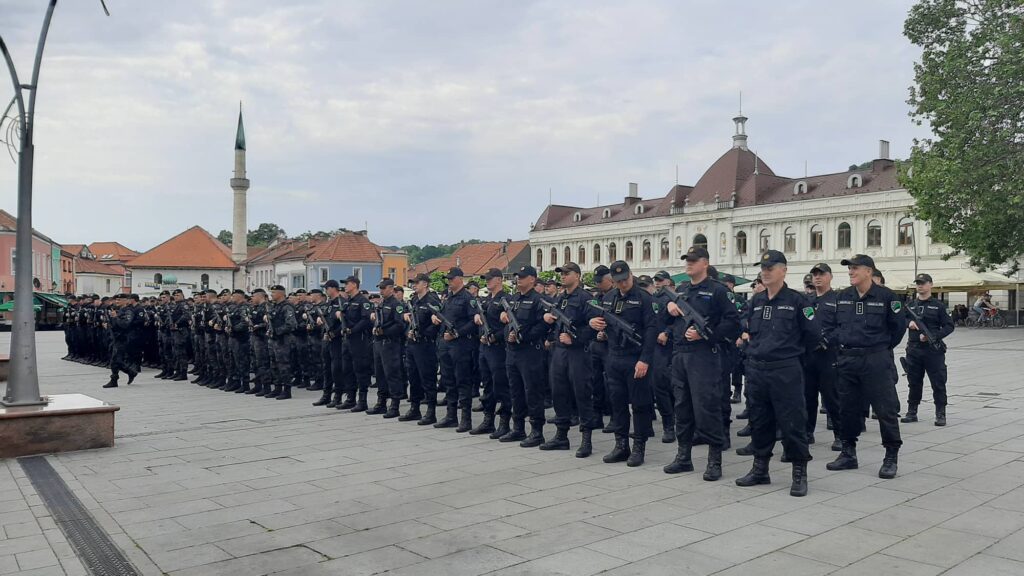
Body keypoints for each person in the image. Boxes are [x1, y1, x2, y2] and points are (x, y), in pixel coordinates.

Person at [734, 250, 818, 496]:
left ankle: (799, 472)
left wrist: (793, 358)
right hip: (758, 370)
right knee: (760, 421)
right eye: (763, 267)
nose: (766, 271)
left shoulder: (797, 301)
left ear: (784, 270)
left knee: (792, 422)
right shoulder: (756, 301)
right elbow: (744, 324)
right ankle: (760, 469)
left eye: (771, 267)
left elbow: (813, 335)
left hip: (785, 370)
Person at [662, 247, 740, 480]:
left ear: (705, 263)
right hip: (680, 356)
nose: (688, 264)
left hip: (704, 356)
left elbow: (734, 323)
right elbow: (663, 321)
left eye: (693, 261)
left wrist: (707, 334)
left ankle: (714, 460)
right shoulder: (683, 290)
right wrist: (669, 310)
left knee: (707, 408)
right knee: (682, 407)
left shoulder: (717, 291)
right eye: (687, 260)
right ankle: (683, 457)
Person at [826, 254, 906, 479]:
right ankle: (848, 453)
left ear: (869, 271)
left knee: (885, 409)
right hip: (848, 359)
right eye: (849, 268)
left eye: (855, 268)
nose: (851, 272)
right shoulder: (843, 296)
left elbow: (898, 328)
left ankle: (891, 456)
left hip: (876, 360)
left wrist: (879, 348)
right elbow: (832, 326)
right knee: (847, 409)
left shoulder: (887, 297)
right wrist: (840, 339)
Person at [588, 260, 658, 466]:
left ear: (631, 275)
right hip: (614, 356)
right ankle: (621, 445)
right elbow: (604, 322)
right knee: (617, 403)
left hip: (635, 358)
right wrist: (596, 326)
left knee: (640, 405)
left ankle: (639, 447)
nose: (623, 283)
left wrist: (645, 360)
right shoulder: (609, 297)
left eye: (625, 279)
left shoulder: (644, 298)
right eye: (618, 281)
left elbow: (652, 331)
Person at [540, 262, 598, 456]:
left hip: (578, 352)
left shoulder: (586, 298)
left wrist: (575, 338)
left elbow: (595, 326)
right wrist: (548, 320)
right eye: (561, 274)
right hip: (559, 351)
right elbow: (555, 324)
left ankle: (586, 439)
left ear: (577, 276)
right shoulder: (560, 298)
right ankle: (561, 435)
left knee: (582, 393)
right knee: (559, 392)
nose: (563, 276)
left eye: (567, 273)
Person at [498, 266, 549, 446]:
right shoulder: (514, 300)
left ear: (533, 279)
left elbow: (542, 326)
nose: (519, 279)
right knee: (516, 391)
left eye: (523, 277)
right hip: (513, 352)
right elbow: (507, 324)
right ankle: (518, 428)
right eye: (518, 276)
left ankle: (537, 431)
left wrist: (522, 336)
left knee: (532, 391)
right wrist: (509, 335)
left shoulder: (539, 300)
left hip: (530, 352)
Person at [901, 273, 955, 426]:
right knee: (914, 382)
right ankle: (912, 411)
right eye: (918, 283)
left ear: (930, 284)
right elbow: (900, 319)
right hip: (913, 349)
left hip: (933, 350)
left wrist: (934, 336)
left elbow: (949, 326)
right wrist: (908, 323)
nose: (920, 286)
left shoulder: (938, 305)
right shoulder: (910, 305)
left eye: (923, 283)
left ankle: (940, 413)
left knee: (938, 382)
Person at [431, 268, 478, 432]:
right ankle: (451, 416)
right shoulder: (449, 298)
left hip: (461, 345)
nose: (449, 281)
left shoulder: (468, 298)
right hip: (445, 344)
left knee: (462, 381)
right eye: (448, 279)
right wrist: (436, 319)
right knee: (448, 380)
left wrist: (457, 333)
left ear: (460, 279)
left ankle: (466, 419)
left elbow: (474, 322)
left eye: (451, 279)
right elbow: (445, 317)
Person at [804, 263, 842, 452]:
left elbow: (843, 326)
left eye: (821, 274)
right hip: (808, 355)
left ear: (830, 276)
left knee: (832, 397)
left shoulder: (837, 300)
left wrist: (828, 339)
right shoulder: (807, 300)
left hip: (828, 354)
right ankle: (808, 432)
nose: (817, 277)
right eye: (815, 274)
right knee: (808, 397)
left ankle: (839, 435)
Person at [472, 268, 512, 437]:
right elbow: (482, 320)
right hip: (484, 347)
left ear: (499, 280)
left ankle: (504, 422)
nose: (487, 282)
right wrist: (477, 319)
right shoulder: (486, 300)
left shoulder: (505, 299)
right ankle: (488, 420)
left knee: (501, 385)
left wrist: (495, 337)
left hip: (498, 349)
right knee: (487, 384)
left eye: (490, 279)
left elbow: (510, 325)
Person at [405, 274, 441, 424]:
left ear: (425, 284)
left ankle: (431, 411)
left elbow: (437, 322)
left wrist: (424, 333)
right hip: (413, 344)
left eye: (417, 282)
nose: (414, 285)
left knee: (427, 378)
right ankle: (415, 408)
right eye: (413, 283)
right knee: (413, 377)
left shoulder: (432, 301)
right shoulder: (414, 300)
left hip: (426, 344)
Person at [372, 278, 408, 418]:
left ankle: (395, 405)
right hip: (379, 343)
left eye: (383, 288)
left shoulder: (396, 304)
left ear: (391, 288)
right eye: (380, 288)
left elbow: (400, 326)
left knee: (392, 374)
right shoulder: (381, 303)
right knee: (380, 374)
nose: (380, 291)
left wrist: (384, 332)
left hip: (391, 343)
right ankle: (381, 402)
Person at [339, 276, 374, 411]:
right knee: (347, 369)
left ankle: (362, 400)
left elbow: (366, 320)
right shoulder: (348, 302)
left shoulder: (362, 301)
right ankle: (350, 398)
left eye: (346, 284)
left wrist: (352, 330)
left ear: (354, 285)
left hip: (359, 340)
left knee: (360, 370)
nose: (345, 287)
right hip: (348, 340)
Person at [651, 270, 677, 443]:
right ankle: (668, 423)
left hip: (672, 347)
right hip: (654, 348)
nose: (658, 283)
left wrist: (667, 332)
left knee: (672, 387)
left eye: (661, 280)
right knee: (658, 386)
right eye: (656, 281)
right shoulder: (652, 299)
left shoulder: (675, 300)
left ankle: (676, 422)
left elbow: (680, 322)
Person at [267, 285, 298, 399]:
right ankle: (277, 387)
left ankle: (287, 390)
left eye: (274, 292)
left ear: (281, 293)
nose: (271, 295)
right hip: (274, 340)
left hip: (283, 340)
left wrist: (277, 331)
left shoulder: (286, 307)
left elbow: (291, 324)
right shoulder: (275, 306)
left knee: (284, 365)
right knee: (274, 364)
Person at [104, 295, 138, 388]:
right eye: (116, 300)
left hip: (124, 338)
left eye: (119, 300)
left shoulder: (128, 311)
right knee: (114, 360)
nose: (117, 301)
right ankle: (129, 373)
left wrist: (115, 317)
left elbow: (125, 324)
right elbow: (114, 324)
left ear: (126, 301)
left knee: (116, 360)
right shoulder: (118, 311)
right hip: (115, 337)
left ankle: (116, 379)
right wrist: (107, 324)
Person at [225, 289, 251, 393]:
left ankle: (245, 384)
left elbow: (245, 323)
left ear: (239, 297)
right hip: (233, 337)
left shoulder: (244, 308)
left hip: (241, 338)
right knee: (233, 361)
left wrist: (234, 328)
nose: (232, 298)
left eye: (234, 296)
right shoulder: (234, 308)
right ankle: (235, 382)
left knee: (242, 362)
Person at [248, 288, 273, 396]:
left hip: (263, 339)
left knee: (263, 363)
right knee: (255, 363)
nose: (252, 298)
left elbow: (270, 323)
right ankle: (258, 385)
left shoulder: (267, 307)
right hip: (255, 338)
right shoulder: (255, 308)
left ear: (259, 296)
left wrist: (259, 326)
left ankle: (266, 386)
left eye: (253, 296)